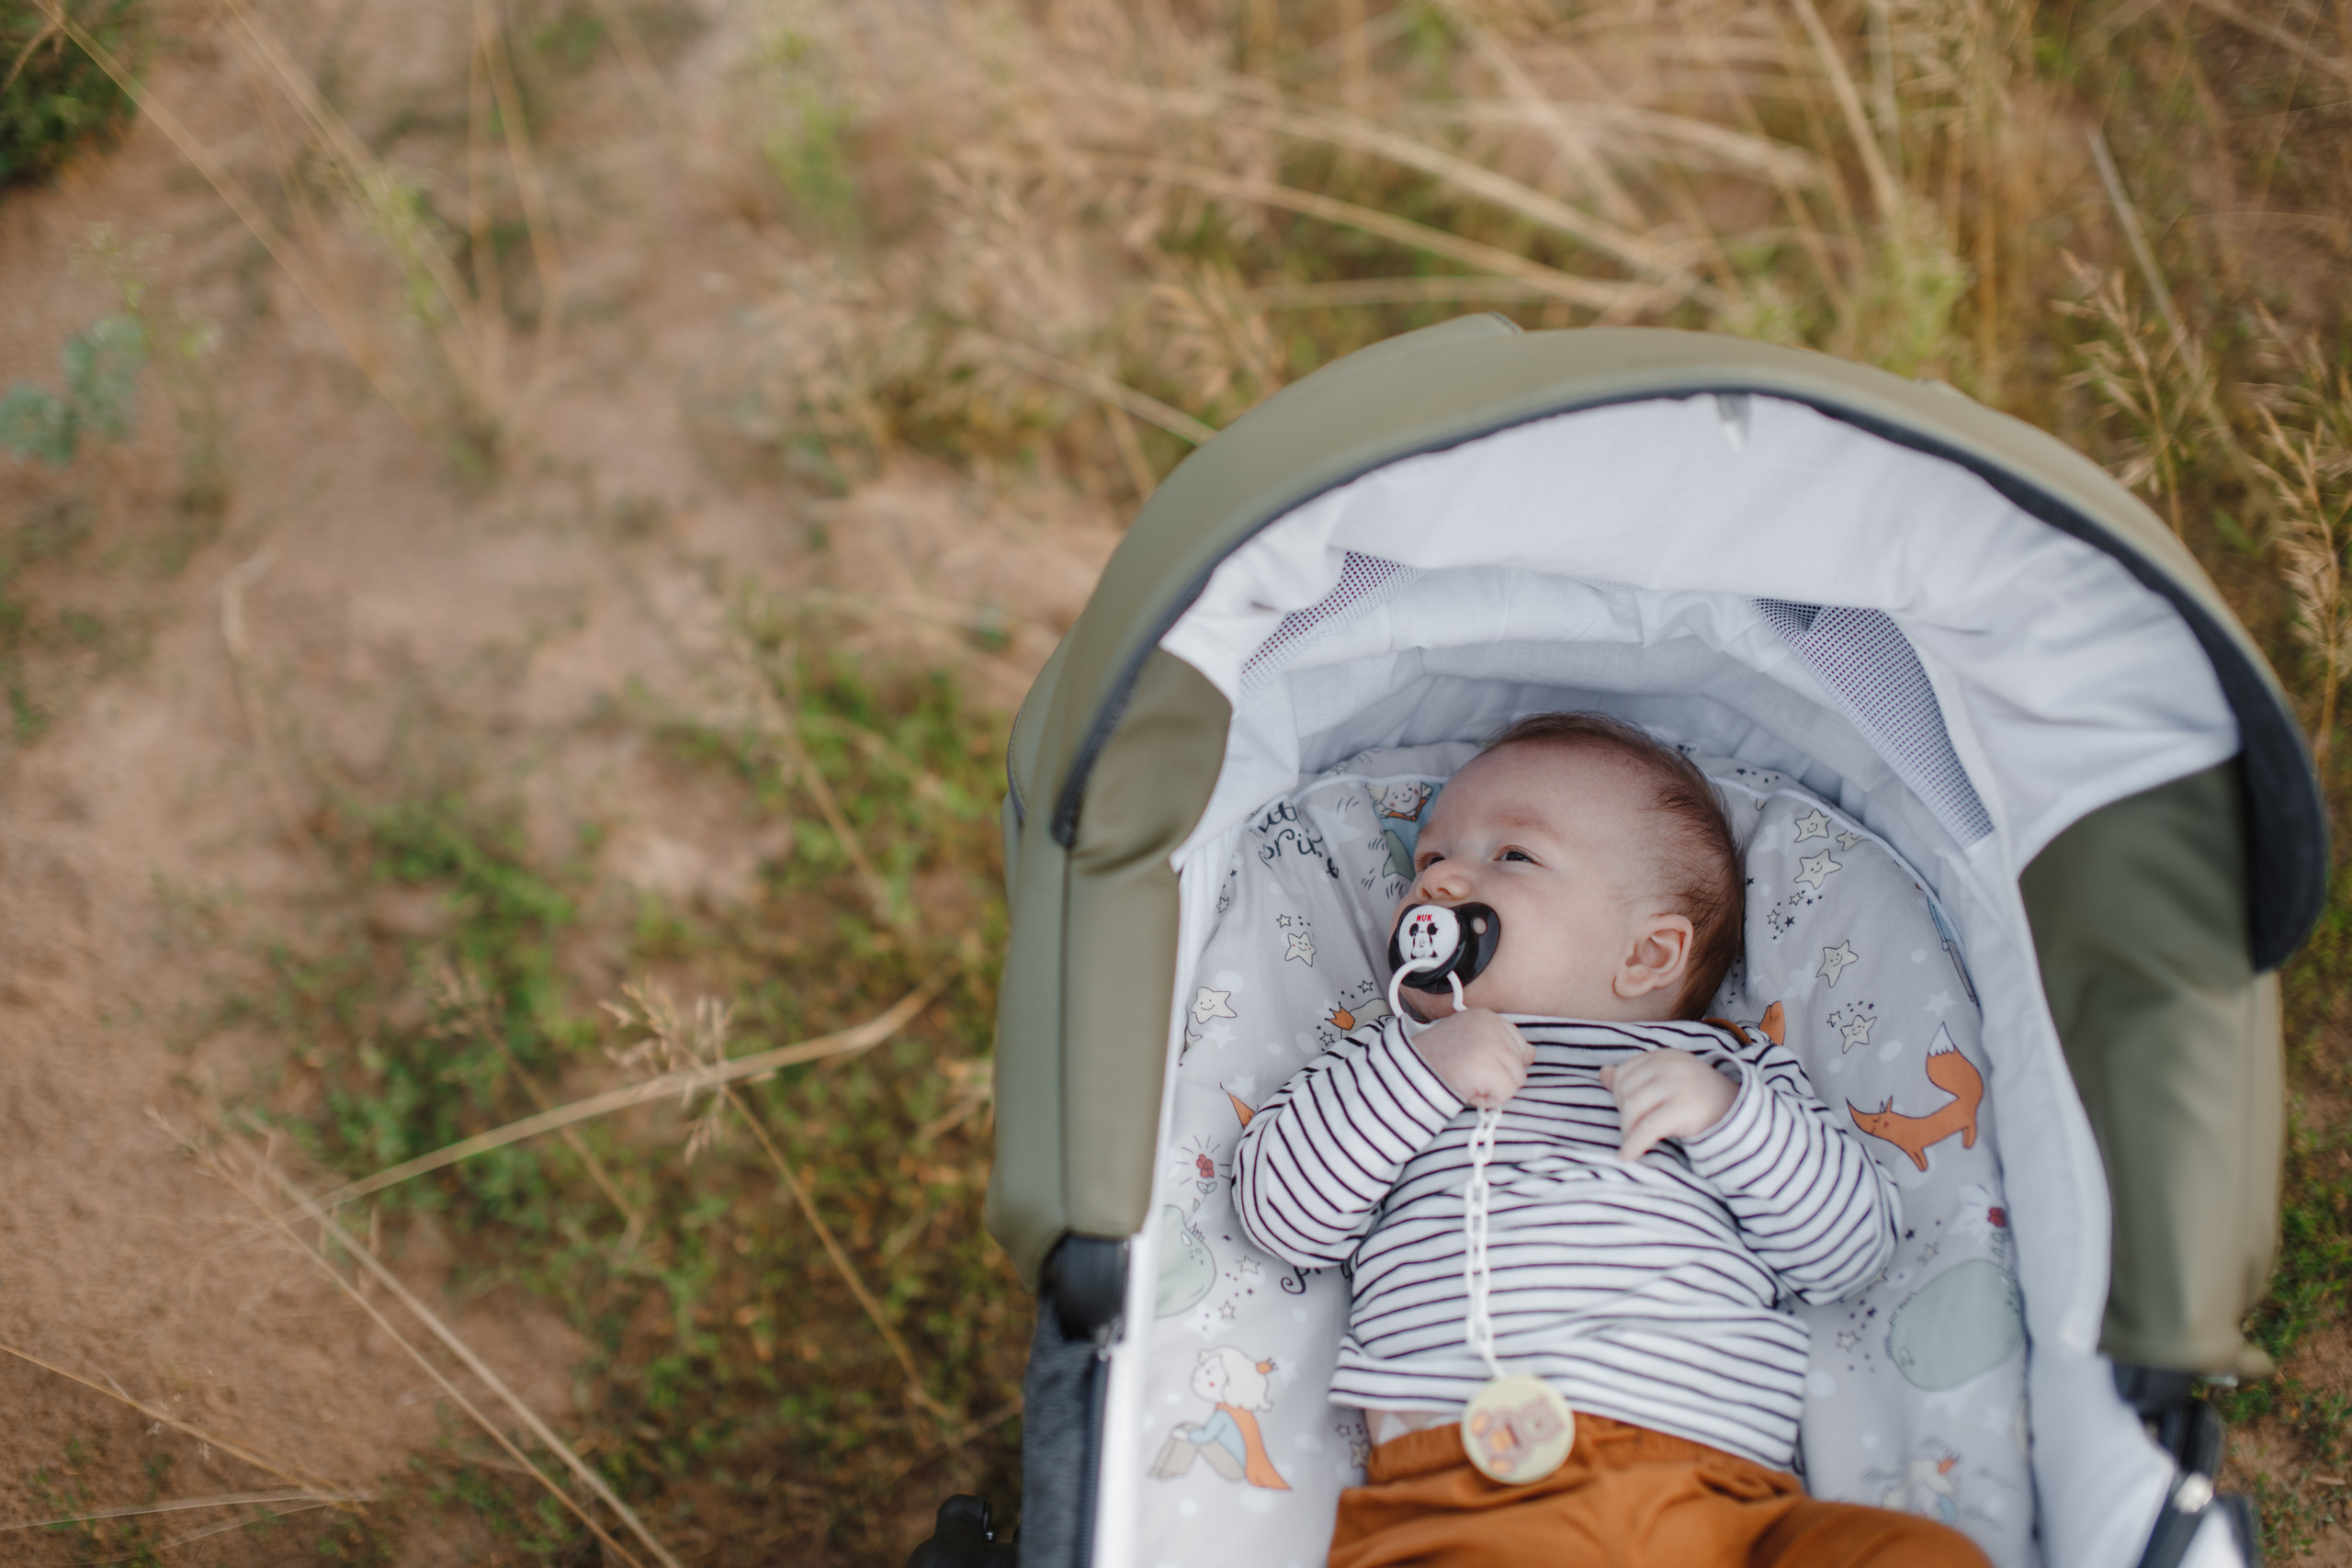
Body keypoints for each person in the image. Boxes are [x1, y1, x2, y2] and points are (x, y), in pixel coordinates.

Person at [1232, 713, 1991, 1568]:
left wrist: (1726, 1119)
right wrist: (1420, 1072)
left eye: (1512, 855)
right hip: (1478, 1489)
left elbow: (1849, 1249)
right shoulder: (1391, 1068)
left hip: (1732, 1503)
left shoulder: (1731, 1076)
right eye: (1430, 858)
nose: (1439, 883)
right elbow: (1282, 1213)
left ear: (1649, 954)